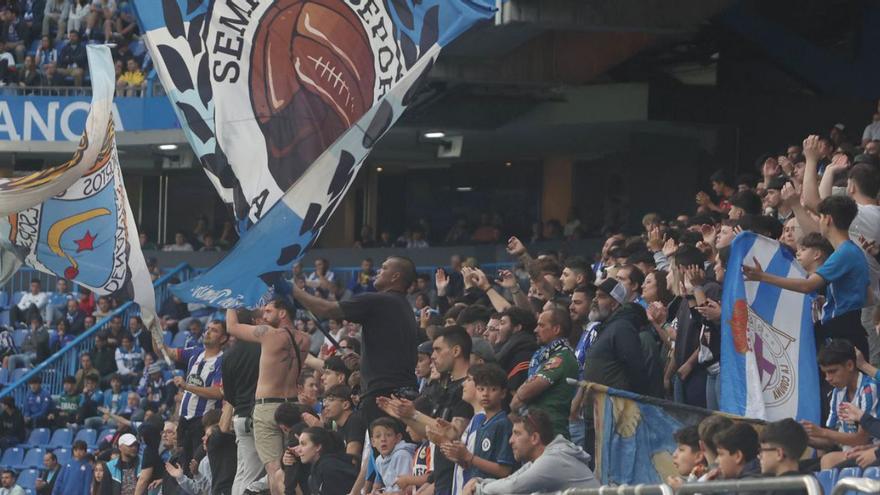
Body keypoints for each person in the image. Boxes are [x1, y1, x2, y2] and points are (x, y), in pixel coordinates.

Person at [293, 256, 419, 424]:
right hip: (404, 394)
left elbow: (327, 309)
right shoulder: (404, 308)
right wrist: (363, 364)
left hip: (382, 398)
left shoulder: (378, 301)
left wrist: (292, 289)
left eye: (383, 268)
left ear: (395, 276)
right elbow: (392, 357)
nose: (378, 271)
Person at [744, 195, 870, 357]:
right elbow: (868, 297)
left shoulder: (845, 253)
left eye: (820, 217)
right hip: (848, 328)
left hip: (845, 333)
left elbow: (807, 285)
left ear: (828, 219)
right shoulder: (850, 251)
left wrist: (763, 276)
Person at [225, 299, 310, 495]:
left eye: (269, 311)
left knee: (275, 471)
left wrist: (229, 302)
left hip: (267, 406)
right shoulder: (305, 339)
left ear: (283, 313)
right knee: (292, 467)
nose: (263, 315)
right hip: (293, 406)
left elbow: (232, 327)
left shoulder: (269, 335)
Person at [462, 409, 598, 495]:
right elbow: (511, 480)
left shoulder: (553, 460)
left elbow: (512, 488)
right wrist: (478, 481)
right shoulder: (538, 461)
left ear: (534, 438)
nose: (510, 440)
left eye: (516, 434)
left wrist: (478, 489)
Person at [153, 321, 227, 476]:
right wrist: (153, 331)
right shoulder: (195, 352)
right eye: (207, 329)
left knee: (198, 468)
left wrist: (187, 386)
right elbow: (164, 352)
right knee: (183, 466)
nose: (208, 332)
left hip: (203, 421)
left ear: (223, 338)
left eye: (214, 330)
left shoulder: (223, 361)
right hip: (184, 419)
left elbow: (218, 392)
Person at [804, 340, 876, 469]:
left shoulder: (869, 389)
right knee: (800, 469)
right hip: (848, 454)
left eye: (832, 371)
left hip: (871, 454)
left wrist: (821, 432)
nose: (828, 378)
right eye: (825, 373)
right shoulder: (837, 392)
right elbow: (831, 441)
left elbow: (861, 440)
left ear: (849, 365)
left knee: (828, 460)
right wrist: (804, 438)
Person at [510, 307, 578, 439]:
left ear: (556, 329)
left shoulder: (562, 357)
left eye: (541, 325)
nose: (535, 330)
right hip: (537, 431)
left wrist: (517, 401)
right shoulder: (544, 355)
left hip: (551, 434)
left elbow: (526, 392)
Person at [218, 312, 263, 495]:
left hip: (240, 416)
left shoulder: (228, 355)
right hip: (259, 415)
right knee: (252, 475)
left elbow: (229, 394)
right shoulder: (263, 347)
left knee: (243, 471)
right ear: (252, 323)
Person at [295, 427, 359, 495]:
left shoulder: (329, 468)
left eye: (303, 444)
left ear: (318, 446)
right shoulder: (317, 471)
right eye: (299, 444)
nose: (298, 450)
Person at [758, 418, 809, 493]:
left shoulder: (783, 489)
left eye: (762, 451)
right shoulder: (811, 484)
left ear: (779, 453)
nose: (759, 456)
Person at [369, 418, 416, 493]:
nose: (383, 439)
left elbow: (405, 487)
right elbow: (389, 486)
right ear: (373, 442)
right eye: (378, 436)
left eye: (388, 435)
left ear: (398, 438)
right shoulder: (378, 460)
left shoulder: (401, 455)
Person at [321, 385, 366, 457]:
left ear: (345, 405)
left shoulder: (354, 420)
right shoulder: (339, 426)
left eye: (331, 400)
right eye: (325, 401)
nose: (325, 405)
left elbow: (352, 457)